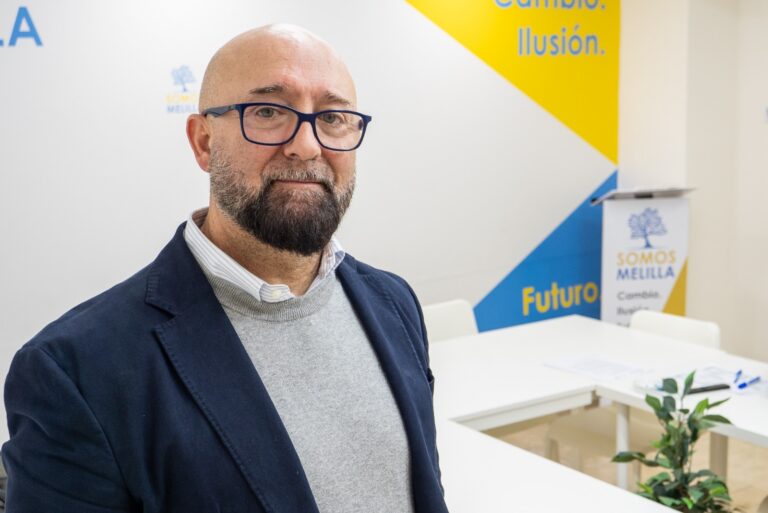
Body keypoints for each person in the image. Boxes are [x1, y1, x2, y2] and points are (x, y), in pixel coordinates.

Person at [2, 24, 447, 513]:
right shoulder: (76, 371)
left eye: (334, 117)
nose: (307, 145)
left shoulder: (392, 302)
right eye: (269, 112)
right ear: (204, 142)